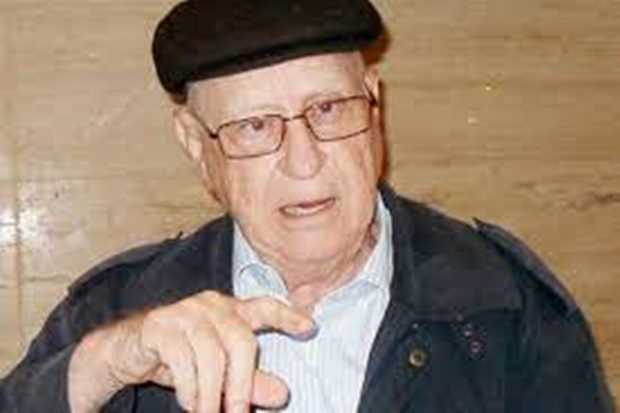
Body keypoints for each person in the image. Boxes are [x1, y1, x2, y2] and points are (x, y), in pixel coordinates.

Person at [0, 0, 614, 412]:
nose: (304, 161)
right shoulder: (115, 309)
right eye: (254, 126)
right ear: (194, 144)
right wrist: (101, 369)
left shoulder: (508, 302)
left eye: (328, 109)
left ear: (374, 103)